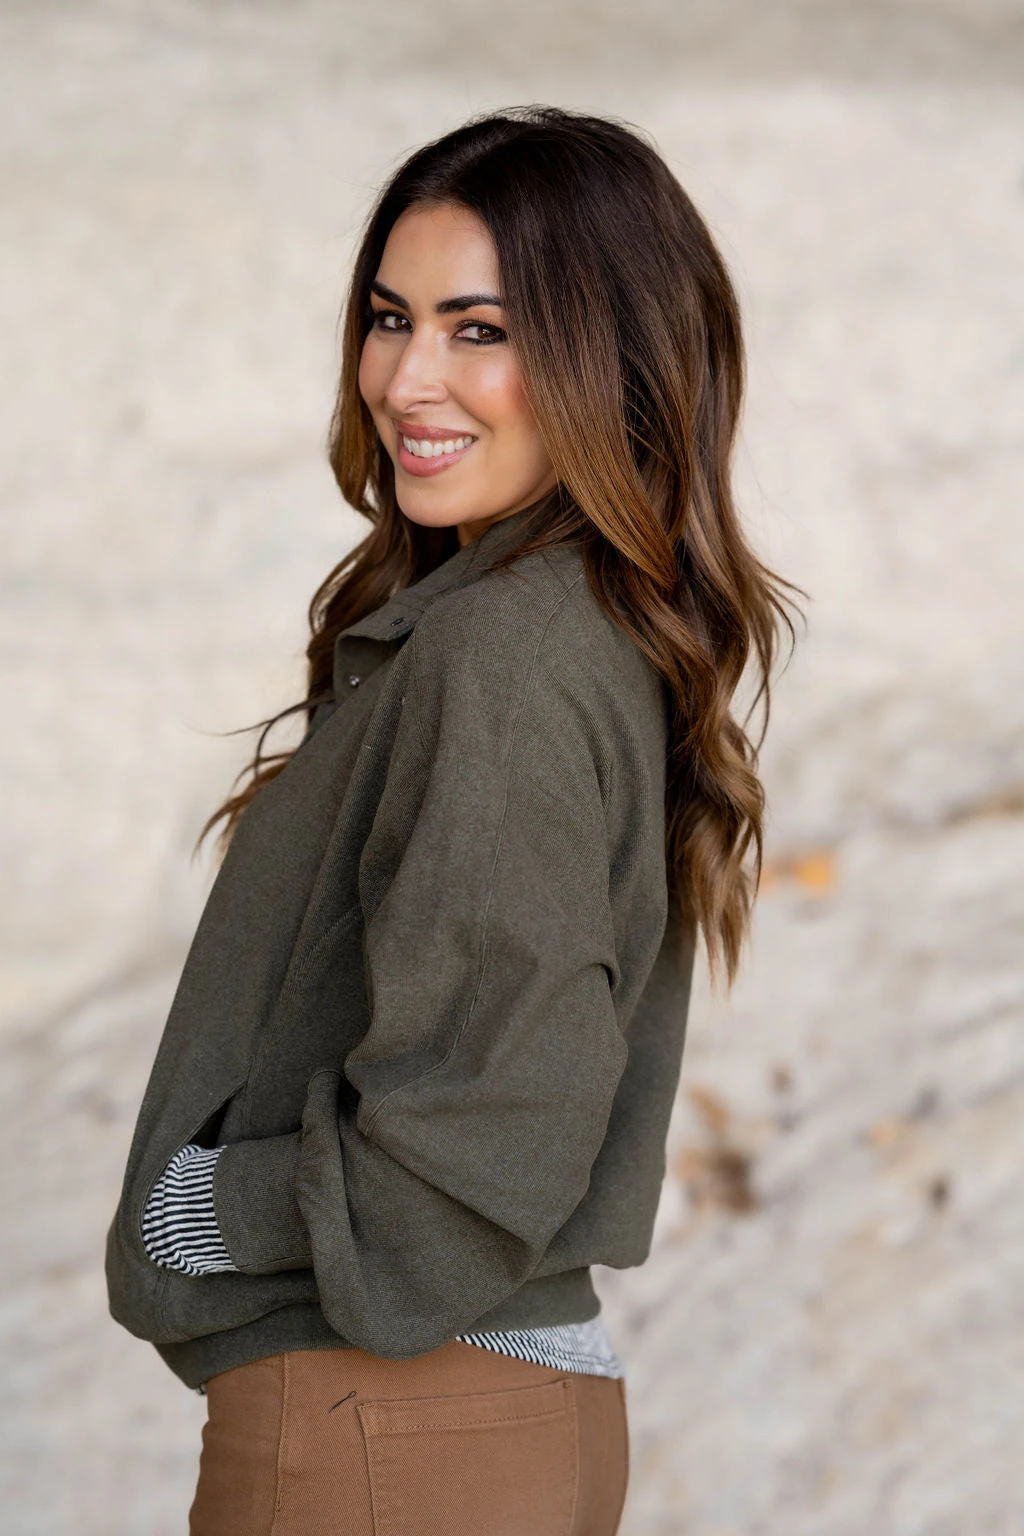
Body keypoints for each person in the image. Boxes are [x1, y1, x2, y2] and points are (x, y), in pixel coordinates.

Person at [105, 105, 799, 1535]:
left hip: (388, 1425)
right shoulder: (567, 627)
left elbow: (495, 1117)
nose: (407, 378)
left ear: (610, 362)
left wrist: (207, 1210)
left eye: (480, 330)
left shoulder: (505, 657)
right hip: (473, 1426)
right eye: (390, 319)